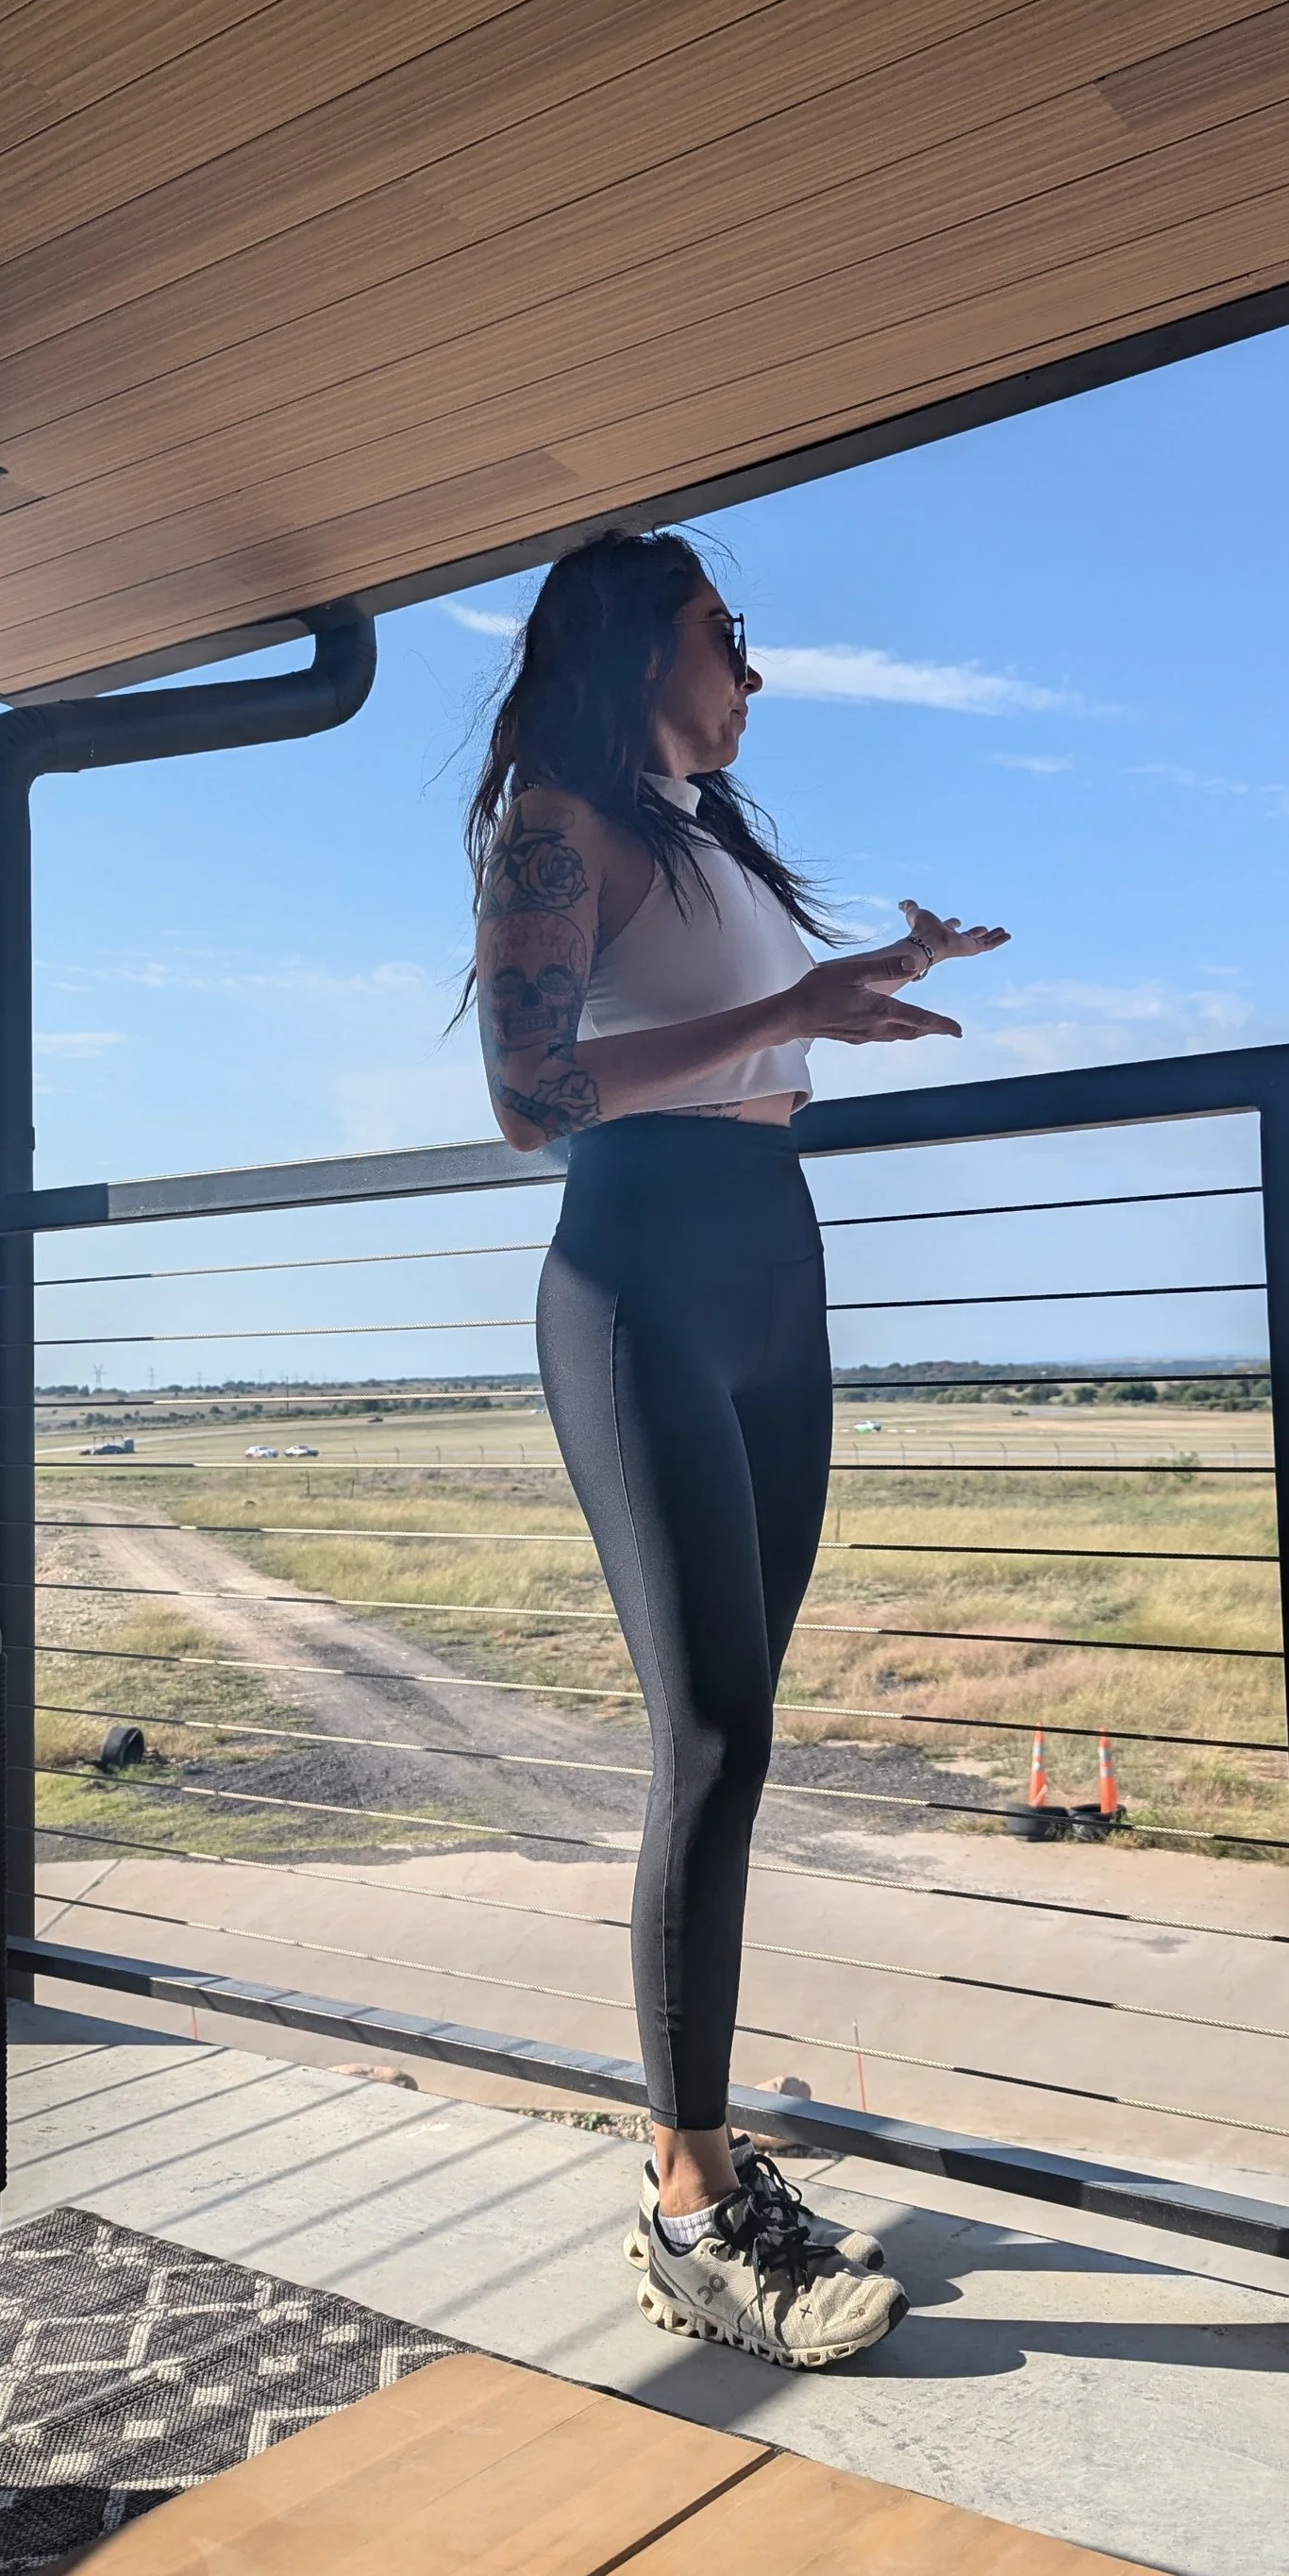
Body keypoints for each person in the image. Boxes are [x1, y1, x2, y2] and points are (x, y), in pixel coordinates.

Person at [465, 529, 1008, 2367]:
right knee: (706, 1733)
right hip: (635, 1277)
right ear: (637, 649)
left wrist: (844, 980)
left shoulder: (704, 839)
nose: (751, 675)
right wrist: (791, 1008)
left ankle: (706, 2158)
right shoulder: (555, 818)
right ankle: (689, 2201)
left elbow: (727, 1047)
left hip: (767, 1261)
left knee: (742, 1726)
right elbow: (531, 1092)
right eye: (727, 637)